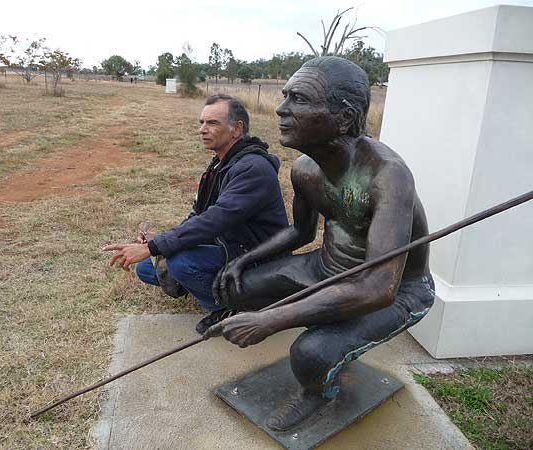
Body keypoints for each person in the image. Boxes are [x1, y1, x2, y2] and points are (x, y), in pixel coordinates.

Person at [209, 57, 435, 431]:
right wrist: (243, 261)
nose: (281, 109)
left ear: (344, 118)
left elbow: (380, 287)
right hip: (325, 268)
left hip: (398, 292)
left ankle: (318, 393)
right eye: (285, 96)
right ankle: (309, 327)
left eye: (298, 99)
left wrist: (271, 319)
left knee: (311, 354)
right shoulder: (306, 170)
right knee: (237, 288)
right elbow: (300, 233)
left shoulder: (388, 176)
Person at [103, 94, 289, 334]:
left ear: (236, 129)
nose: (202, 130)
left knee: (180, 262)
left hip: (256, 254)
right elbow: (199, 215)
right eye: (201, 122)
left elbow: (214, 220)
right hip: (228, 243)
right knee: (147, 269)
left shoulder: (253, 168)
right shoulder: (220, 164)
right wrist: (159, 242)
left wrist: (154, 248)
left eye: (212, 123)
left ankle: (229, 307)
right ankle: (208, 284)